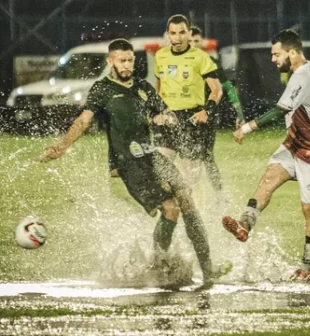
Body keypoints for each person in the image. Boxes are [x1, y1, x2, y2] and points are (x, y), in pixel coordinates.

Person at [38, 38, 229, 286]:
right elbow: (83, 121)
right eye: (121, 60)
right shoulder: (102, 89)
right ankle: (159, 266)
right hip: (127, 163)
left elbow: (163, 111)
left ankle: (208, 269)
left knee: (187, 199)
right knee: (171, 210)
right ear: (111, 62)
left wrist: (163, 118)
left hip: (151, 155)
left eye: (130, 60)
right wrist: (62, 146)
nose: (127, 65)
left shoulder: (143, 87)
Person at [221, 29, 310, 281]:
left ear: (293, 53)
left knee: (309, 209)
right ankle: (244, 224)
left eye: (277, 54)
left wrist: (245, 128)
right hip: (295, 142)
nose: (273, 60)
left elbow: (278, 112)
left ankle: (308, 268)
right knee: (269, 178)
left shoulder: (301, 76)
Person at [153, 14, 223, 186]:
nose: (177, 38)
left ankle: (191, 207)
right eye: (173, 33)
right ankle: (170, 208)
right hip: (168, 118)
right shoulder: (160, 56)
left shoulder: (200, 57)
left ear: (189, 33)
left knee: (191, 176)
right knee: (160, 169)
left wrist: (207, 111)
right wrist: (156, 111)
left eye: (182, 32)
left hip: (191, 118)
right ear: (168, 34)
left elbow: (217, 89)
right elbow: (159, 86)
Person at [189, 26, 245, 197]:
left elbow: (228, 88)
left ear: (202, 43)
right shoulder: (178, 63)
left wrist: (240, 115)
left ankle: (219, 194)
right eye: (190, 41)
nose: (193, 44)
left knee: (205, 155)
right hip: (185, 114)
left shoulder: (211, 62)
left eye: (196, 41)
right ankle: (187, 194)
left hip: (208, 115)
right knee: (186, 155)